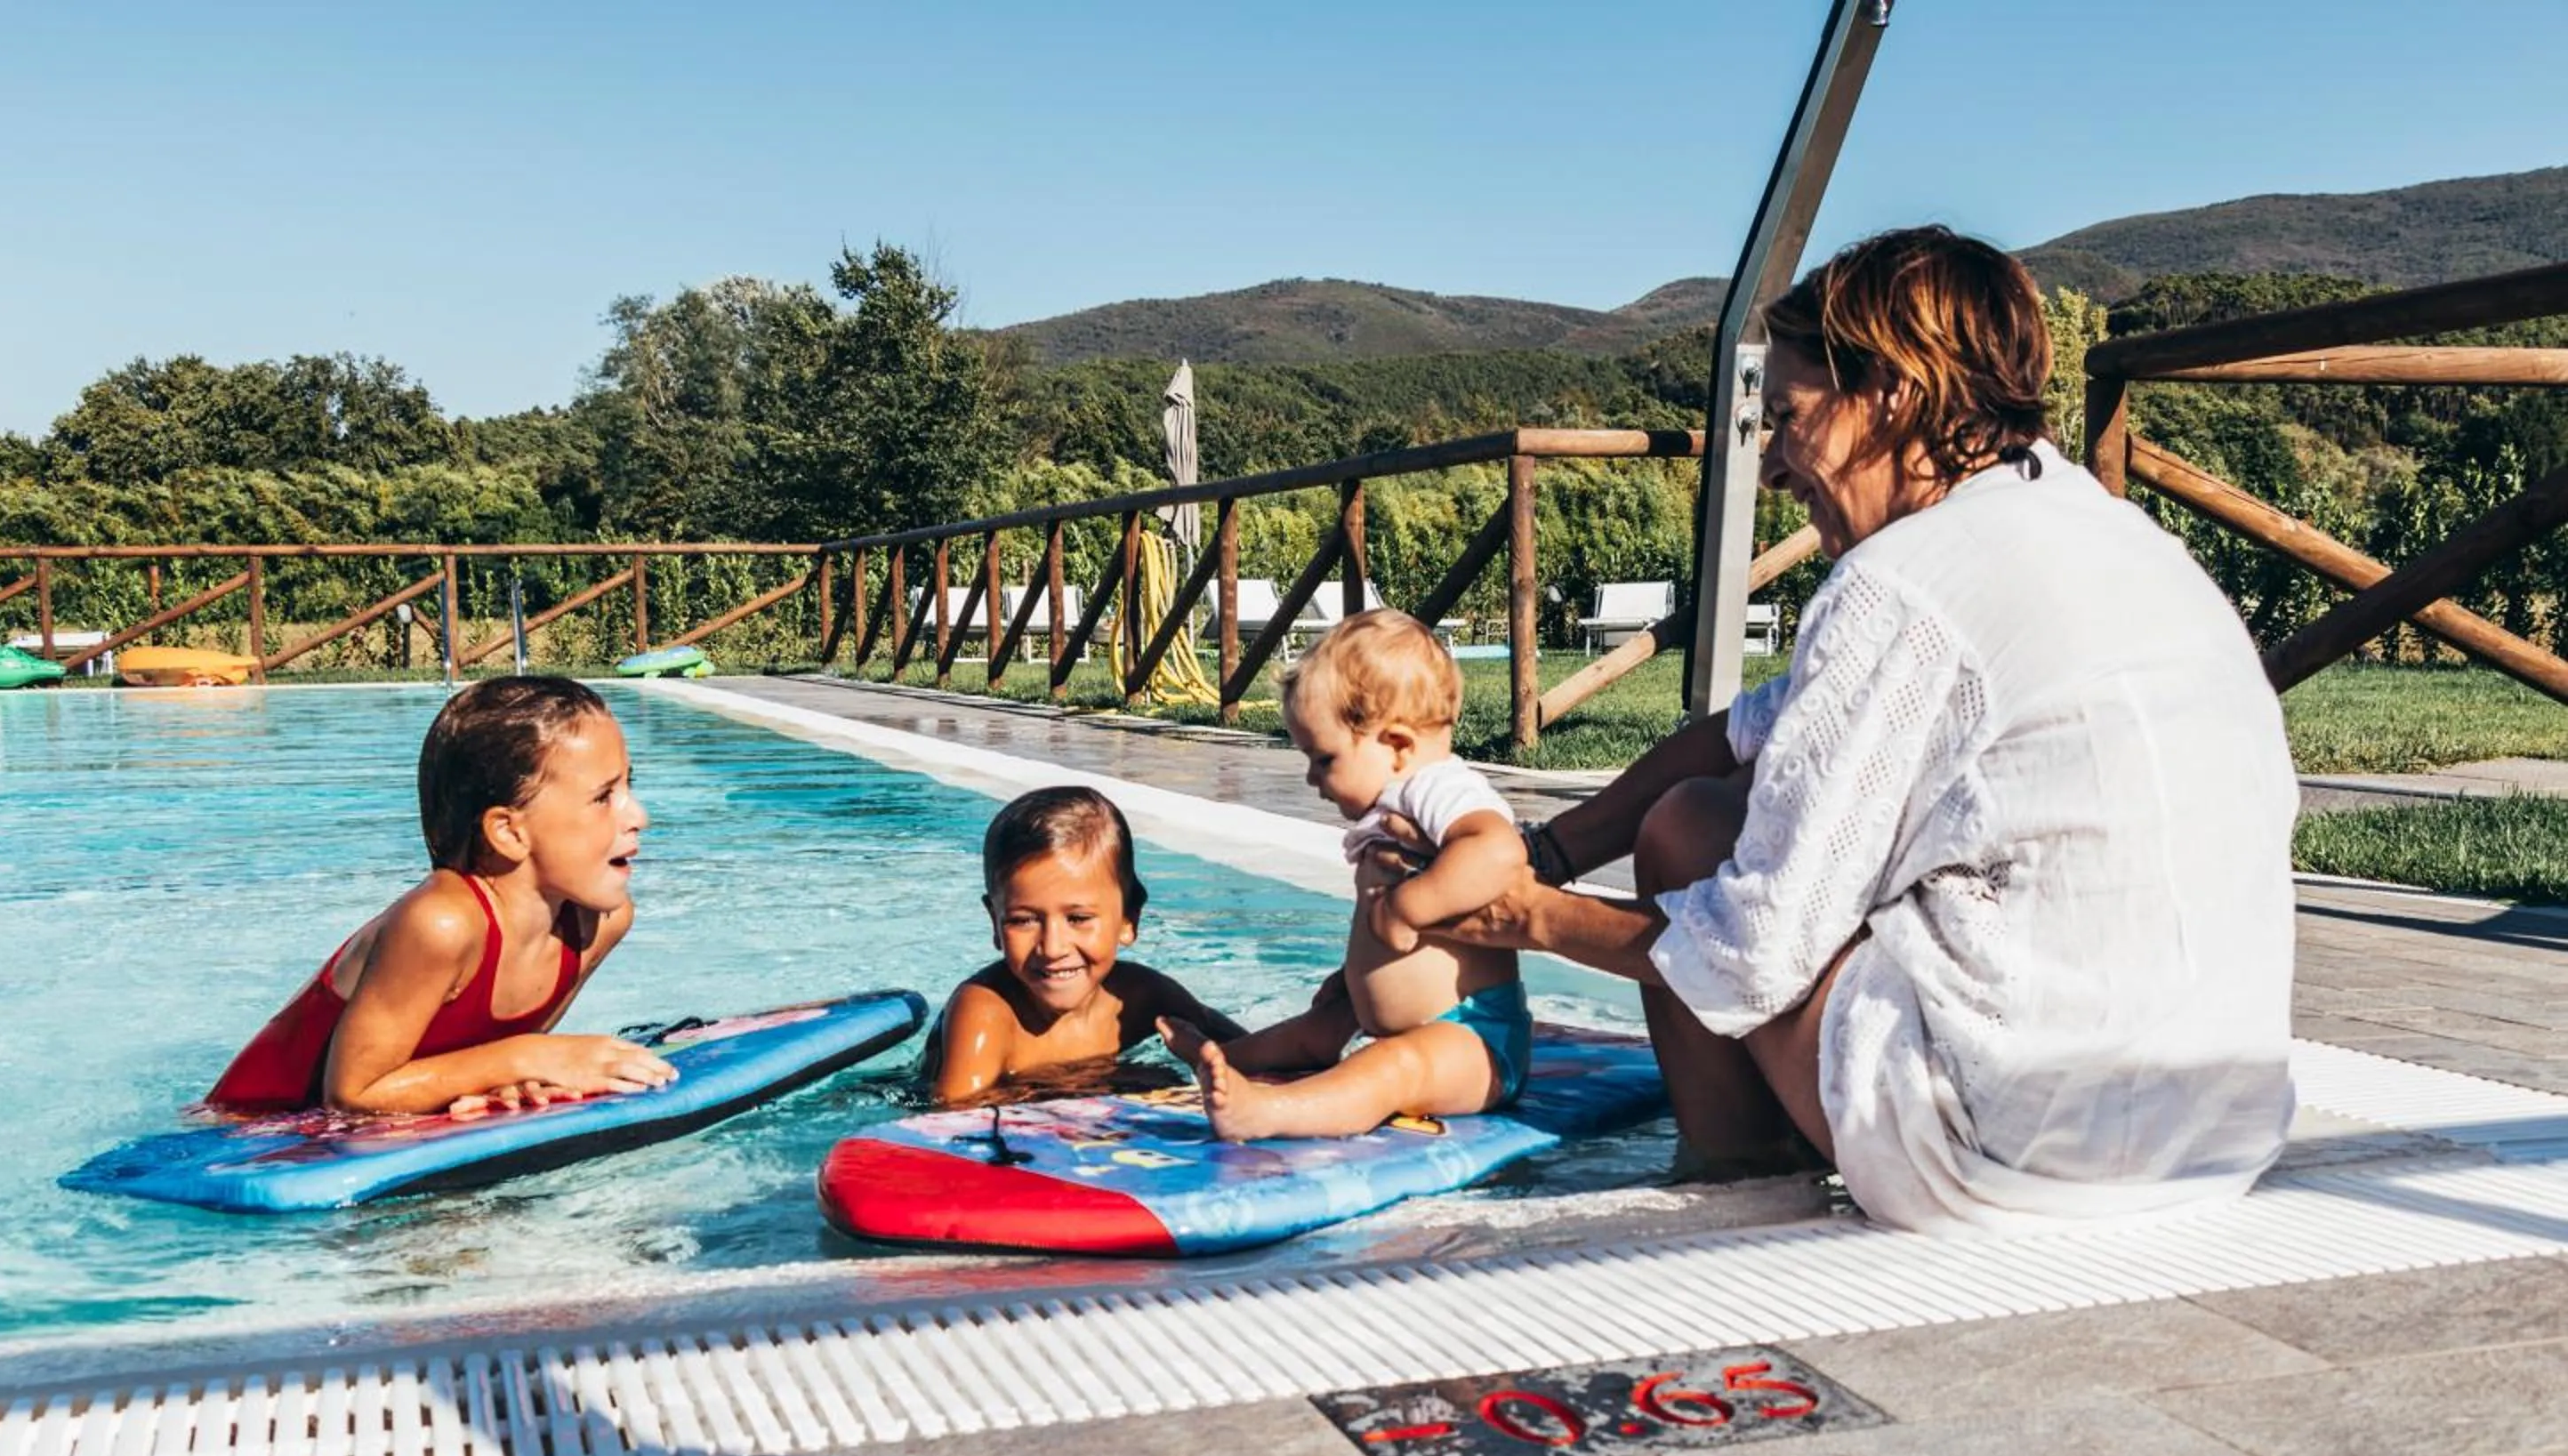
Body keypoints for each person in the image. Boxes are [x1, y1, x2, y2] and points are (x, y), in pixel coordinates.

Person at [1435, 226, 2298, 1233]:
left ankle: (1732, 1176)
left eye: (1791, 416)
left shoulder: (1901, 583)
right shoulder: (2108, 531)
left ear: (1889, 393)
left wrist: (1519, 915)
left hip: (2010, 1157)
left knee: (1687, 833)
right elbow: (1744, 734)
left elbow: (1751, 951)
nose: (1773, 469)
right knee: (1720, 802)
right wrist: (1544, 849)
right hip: (2218, 1136)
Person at [208, 675, 673, 1116]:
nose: (639, 816)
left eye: (630, 786)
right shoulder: (441, 923)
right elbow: (352, 1095)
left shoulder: (599, 925)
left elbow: (480, 1060)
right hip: (246, 1136)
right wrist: (533, 1056)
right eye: (603, 797)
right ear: (509, 832)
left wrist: (515, 1076)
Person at [1163, 608, 1533, 1139]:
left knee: (1394, 1070)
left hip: (1472, 1039)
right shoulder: (1397, 795)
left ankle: (1265, 1113)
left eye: (1325, 759)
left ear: (1399, 745)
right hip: (1396, 1023)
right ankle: (1221, 1059)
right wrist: (1356, 976)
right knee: (1323, 1024)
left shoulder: (1437, 787)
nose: (1312, 777)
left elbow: (1499, 850)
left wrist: (1412, 907)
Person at [925, 785, 1243, 1105]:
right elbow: (951, 1127)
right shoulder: (986, 1013)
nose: (1052, 947)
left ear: (1128, 919)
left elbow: (1250, 1053)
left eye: (1077, 918)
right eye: (1023, 920)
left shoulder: (1143, 997)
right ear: (995, 921)